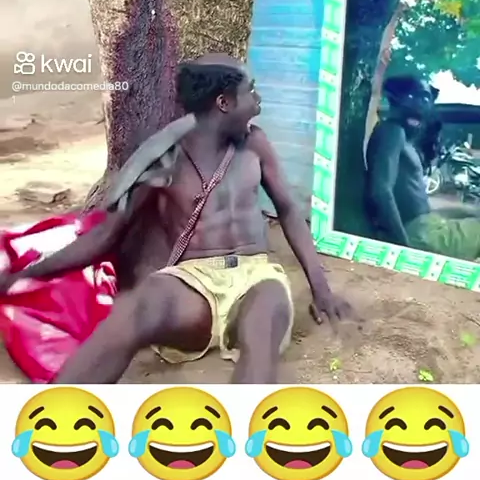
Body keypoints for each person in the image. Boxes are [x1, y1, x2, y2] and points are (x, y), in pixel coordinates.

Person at [0, 53, 355, 384]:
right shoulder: (164, 157)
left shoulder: (255, 144)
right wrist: (24, 275)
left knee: (261, 332)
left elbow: (288, 210)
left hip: (257, 275)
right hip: (193, 280)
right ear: (224, 103)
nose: (258, 100)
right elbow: (105, 235)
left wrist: (321, 290)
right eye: (251, 91)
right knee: (133, 309)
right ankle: (49, 415)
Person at [365, 74, 480, 260]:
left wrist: (467, 210)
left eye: (426, 98)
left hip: (427, 227)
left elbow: (417, 203)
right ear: (395, 99)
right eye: (413, 96)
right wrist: (401, 247)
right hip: (420, 235)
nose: (421, 104)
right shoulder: (392, 131)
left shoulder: (401, 136)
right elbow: (381, 191)